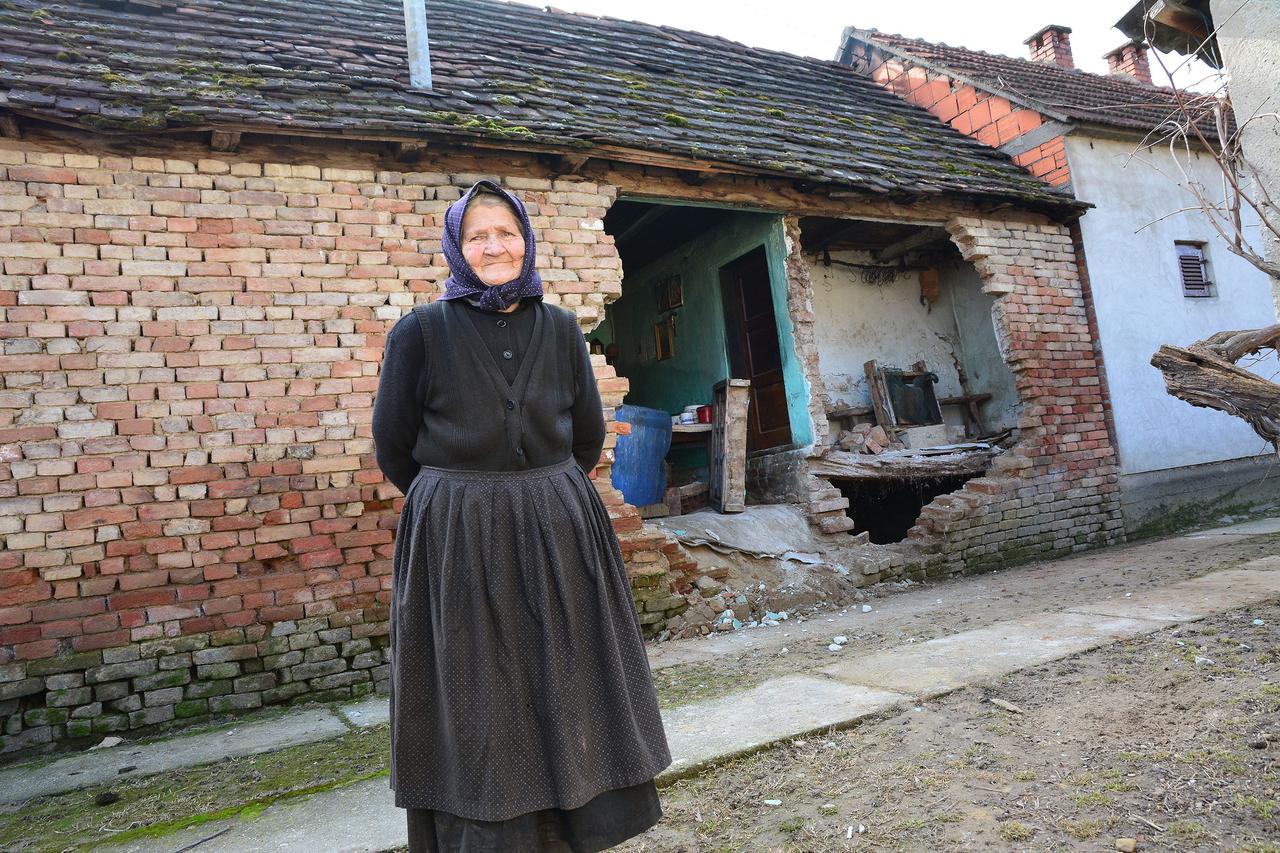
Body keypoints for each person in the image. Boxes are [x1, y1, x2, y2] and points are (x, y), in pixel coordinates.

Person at [372, 179, 672, 852]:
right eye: (477, 235)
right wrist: (457, 501)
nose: (494, 246)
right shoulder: (420, 332)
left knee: (564, 676)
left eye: (506, 232)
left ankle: (577, 825)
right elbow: (393, 444)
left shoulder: (562, 328)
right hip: (457, 538)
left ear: (526, 240)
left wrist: (541, 492)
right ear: (457, 245)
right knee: (479, 691)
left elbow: (588, 436)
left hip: (556, 528)